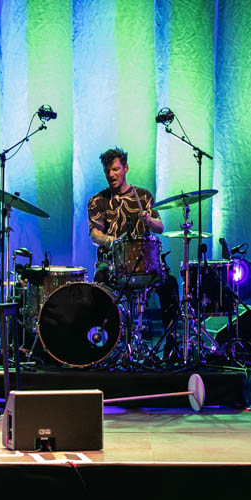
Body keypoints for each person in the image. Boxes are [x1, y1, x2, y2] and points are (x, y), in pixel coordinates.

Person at [87, 147, 179, 359]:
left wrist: (148, 220)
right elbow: (94, 235)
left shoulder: (143, 196)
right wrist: (112, 241)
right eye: (107, 171)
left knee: (170, 285)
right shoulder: (97, 201)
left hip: (143, 264)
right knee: (98, 283)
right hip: (111, 264)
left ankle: (172, 345)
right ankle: (103, 348)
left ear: (125, 168)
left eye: (116, 169)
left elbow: (160, 228)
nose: (111, 174)